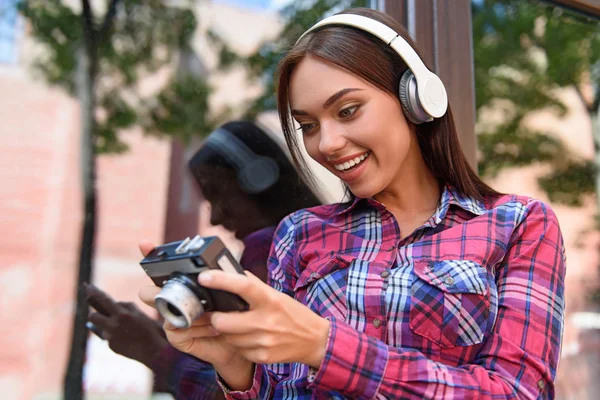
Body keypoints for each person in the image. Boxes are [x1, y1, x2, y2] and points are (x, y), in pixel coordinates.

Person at [138, 7, 566, 399]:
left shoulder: (519, 225)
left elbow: (518, 392)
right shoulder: (299, 233)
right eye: (307, 125)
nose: (326, 144)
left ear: (416, 99)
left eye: (347, 111)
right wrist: (233, 366)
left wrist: (326, 347)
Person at [86, 120, 322, 398]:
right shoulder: (315, 239)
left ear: (259, 178)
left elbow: (259, 386)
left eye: (218, 196)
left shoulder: (268, 248)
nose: (215, 217)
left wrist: (152, 350)